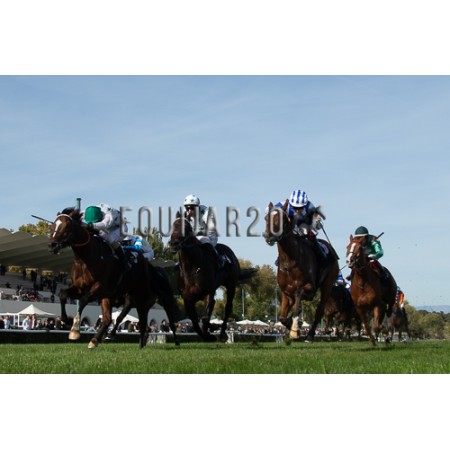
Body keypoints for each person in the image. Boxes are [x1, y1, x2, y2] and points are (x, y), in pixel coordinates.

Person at [275, 189, 327, 264]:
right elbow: (268, 210)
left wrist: (317, 220)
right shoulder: (283, 204)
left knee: (311, 236)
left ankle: (321, 256)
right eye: (295, 207)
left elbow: (316, 223)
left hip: (305, 228)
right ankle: (280, 257)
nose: (297, 210)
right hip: (290, 229)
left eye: (300, 208)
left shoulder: (310, 206)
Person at [183, 194, 229, 268]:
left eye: (192, 208)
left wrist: (195, 237)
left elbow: (211, 229)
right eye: (187, 208)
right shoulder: (185, 214)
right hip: (195, 236)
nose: (190, 211)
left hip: (209, 236)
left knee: (202, 239)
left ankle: (219, 258)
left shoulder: (205, 212)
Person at [83, 203, 129, 269]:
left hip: (121, 228)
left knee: (110, 239)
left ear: (101, 215)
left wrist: (89, 225)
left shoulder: (109, 214)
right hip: (108, 227)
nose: (94, 223)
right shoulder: (87, 212)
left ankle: (124, 260)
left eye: (96, 221)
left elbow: (105, 224)